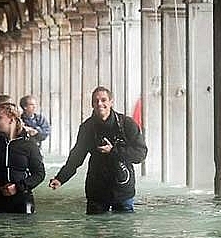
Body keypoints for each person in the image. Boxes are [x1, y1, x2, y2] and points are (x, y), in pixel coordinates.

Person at [48, 86, 147, 214]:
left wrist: (113, 151)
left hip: (123, 190)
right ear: (92, 104)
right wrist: (60, 178)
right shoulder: (87, 127)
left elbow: (140, 154)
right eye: (96, 101)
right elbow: (76, 156)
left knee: (123, 232)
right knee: (94, 231)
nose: (100, 103)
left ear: (111, 102)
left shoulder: (127, 124)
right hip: (97, 190)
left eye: (103, 100)